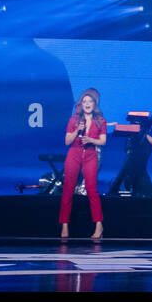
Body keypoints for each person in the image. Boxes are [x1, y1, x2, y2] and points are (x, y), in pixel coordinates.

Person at [59, 88, 106, 240]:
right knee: (68, 189)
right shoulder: (74, 120)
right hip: (74, 153)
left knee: (92, 189)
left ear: (94, 104)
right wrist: (76, 131)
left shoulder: (100, 121)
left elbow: (103, 141)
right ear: (81, 104)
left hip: (91, 154)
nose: (87, 104)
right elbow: (67, 141)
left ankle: (99, 225)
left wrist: (91, 140)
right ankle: (64, 225)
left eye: (90, 101)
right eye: (84, 101)